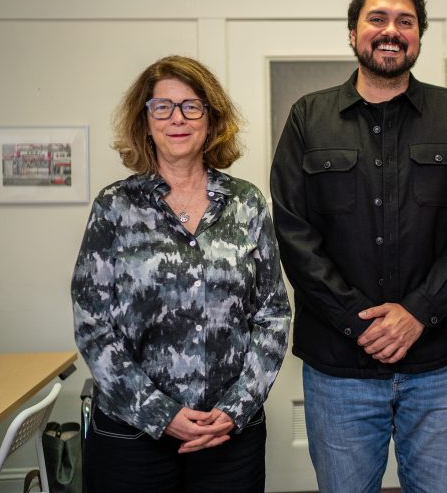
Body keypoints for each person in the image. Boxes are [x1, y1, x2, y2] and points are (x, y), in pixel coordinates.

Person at [270, 0, 447, 492]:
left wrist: (418, 312)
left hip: (440, 365)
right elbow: (293, 233)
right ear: (353, 33)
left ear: (418, 36)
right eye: (377, 19)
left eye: (405, 21)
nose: (391, 30)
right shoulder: (308, 118)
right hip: (338, 370)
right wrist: (359, 322)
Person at [72, 55, 291, 493]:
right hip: (132, 434)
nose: (178, 118)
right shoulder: (115, 206)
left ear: (211, 120)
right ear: (146, 119)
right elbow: (93, 324)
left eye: (192, 106)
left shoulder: (245, 203)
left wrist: (236, 408)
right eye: (163, 107)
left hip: (228, 433)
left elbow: (273, 315)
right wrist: (160, 414)